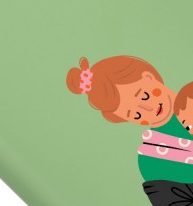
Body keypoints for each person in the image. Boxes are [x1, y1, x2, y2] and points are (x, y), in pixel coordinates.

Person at [66, 56, 193, 205]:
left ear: (149, 77)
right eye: (135, 114)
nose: (148, 109)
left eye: (145, 96)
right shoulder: (151, 160)